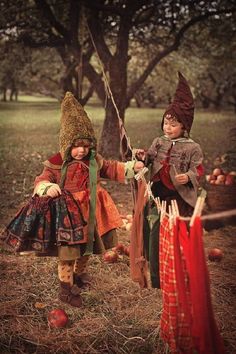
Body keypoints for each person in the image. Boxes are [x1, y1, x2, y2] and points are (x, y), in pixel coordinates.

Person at [1, 92, 144, 307]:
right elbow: (42, 179)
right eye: (76, 145)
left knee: (87, 248)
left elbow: (112, 168)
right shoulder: (57, 162)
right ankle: (65, 289)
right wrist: (47, 186)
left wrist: (132, 168)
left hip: (90, 213)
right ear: (67, 144)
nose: (81, 150)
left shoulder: (94, 160)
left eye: (86, 145)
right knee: (68, 252)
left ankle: (78, 275)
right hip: (67, 218)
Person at [135, 72, 204, 288]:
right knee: (153, 229)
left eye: (173, 125)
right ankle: (155, 275)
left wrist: (189, 176)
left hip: (177, 196)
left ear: (184, 126)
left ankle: (176, 268)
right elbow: (150, 158)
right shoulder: (159, 141)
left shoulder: (193, 147)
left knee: (173, 231)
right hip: (157, 193)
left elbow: (199, 169)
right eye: (165, 123)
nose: (168, 128)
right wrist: (141, 157)